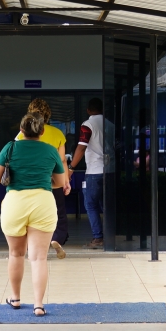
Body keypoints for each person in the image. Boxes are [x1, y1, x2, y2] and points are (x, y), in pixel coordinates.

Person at [0, 112, 67, 317]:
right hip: (43, 203)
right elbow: (60, 182)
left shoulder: (10, 147)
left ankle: (15, 298)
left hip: (15, 203)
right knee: (39, 258)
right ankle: (38, 305)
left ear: (21, 130)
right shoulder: (50, 150)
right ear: (42, 131)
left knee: (16, 254)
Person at [15, 97, 71, 259]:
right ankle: (57, 238)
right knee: (59, 213)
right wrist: (66, 181)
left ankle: (29, 245)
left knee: (31, 214)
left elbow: (17, 156)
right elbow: (62, 160)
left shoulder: (22, 134)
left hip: (29, 181)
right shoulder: (57, 133)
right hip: (53, 181)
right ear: (48, 114)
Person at [68, 97, 104, 249]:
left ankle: (98, 237)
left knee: (90, 204)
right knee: (106, 205)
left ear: (88, 110)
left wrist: (71, 168)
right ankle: (111, 236)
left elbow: (82, 147)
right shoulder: (110, 124)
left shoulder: (87, 125)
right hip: (109, 170)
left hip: (94, 171)